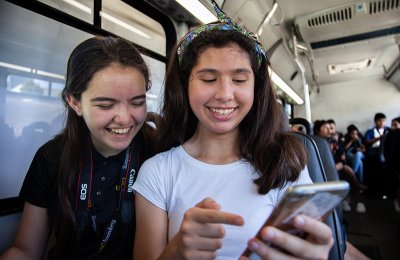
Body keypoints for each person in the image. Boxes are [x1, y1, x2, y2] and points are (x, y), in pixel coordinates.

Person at [132, 2, 334, 259]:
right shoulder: (158, 172)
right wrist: (177, 251)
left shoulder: (284, 161)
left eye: (239, 80)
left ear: (255, 87)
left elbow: (305, 245)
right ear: (185, 85)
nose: (225, 94)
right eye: (208, 79)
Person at [0, 36, 154, 259]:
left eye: (137, 103)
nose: (124, 118)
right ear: (74, 102)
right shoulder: (51, 157)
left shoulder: (157, 153)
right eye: (106, 105)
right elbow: (26, 249)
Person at [313, 120, 366, 213]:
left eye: (330, 128)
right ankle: (344, 200)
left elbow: (342, 158)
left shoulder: (334, 142)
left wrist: (338, 165)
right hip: (323, 170)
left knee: (347, 170)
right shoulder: (314, 143)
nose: (329, 130)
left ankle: (359, 201)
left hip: (337, 167)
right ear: (318, 130)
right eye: (325, 128)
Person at [364, 112, 390, 197]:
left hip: (385, 151)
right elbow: (367, 143)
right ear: (375, 122)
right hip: (374, 151)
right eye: (379, 121)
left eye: (383, 121)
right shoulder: (370, 131)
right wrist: (379, 138)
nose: (382, 123)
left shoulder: (388, 130)